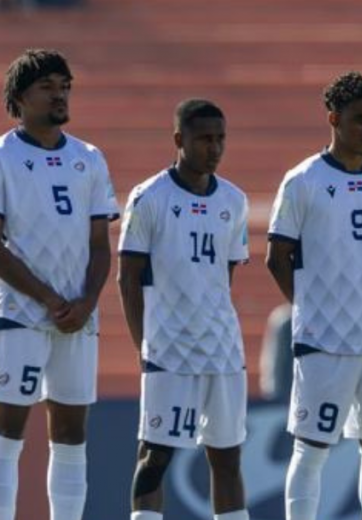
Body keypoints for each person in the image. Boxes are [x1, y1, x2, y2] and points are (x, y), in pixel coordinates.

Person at [267, 71, 362, 520]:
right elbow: (277, 257)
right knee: (312, 448)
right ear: (333, 118)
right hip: (323, 341)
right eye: (359, 119)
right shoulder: (303, 181)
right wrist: (310, 308)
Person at [0, 48, 118, 520]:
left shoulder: (88, 158)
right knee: (8, 432)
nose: (59, 95)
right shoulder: (4, 157)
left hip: (77, 319)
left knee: (70, 433)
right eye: (48, 87)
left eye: (64, 86)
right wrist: (49, 299)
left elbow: (100, 244)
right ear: (21, 97)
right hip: (18, 314)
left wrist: (86, 301)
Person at [118, 99, 250, 520]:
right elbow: (128, 277)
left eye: (220, 139)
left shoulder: (233, 200)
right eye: (204, 139)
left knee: (227, 459)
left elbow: (224, 275)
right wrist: (144, 345)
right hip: (169, 350)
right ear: (179, 140)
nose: (214, 148)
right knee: (155, 455)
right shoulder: (149, 198)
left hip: (223, 351)